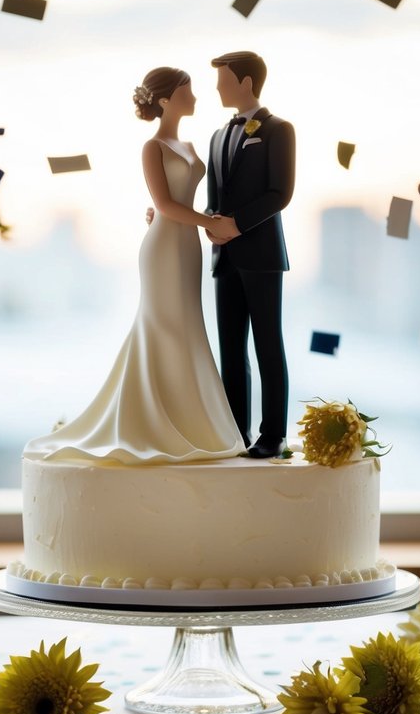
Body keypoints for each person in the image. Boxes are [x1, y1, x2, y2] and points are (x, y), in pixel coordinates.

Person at [23, 67, 243, 465]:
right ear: (164, 101)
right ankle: (153, 422)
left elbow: (179, 202)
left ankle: (190, 421)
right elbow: (163, 205)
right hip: (163, 247)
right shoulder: (153, 146)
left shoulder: (189, 144)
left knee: (186, 325)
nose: (194, 96)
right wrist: (208, 222)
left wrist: (204, 219)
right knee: (164, 325)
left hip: (187, 244)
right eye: (186, 91)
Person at [206, 51, 294, 460]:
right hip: (224, 258)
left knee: (267, 344)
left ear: (245, 82)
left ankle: (272, 435)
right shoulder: (218, 134)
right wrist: (210, 225)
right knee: (231, 349)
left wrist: (236, 225)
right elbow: (213, 200)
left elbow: (281, 194)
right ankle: (236, 433)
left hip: (260, 254)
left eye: (224, 80)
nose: (218, 88)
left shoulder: (279, 130)